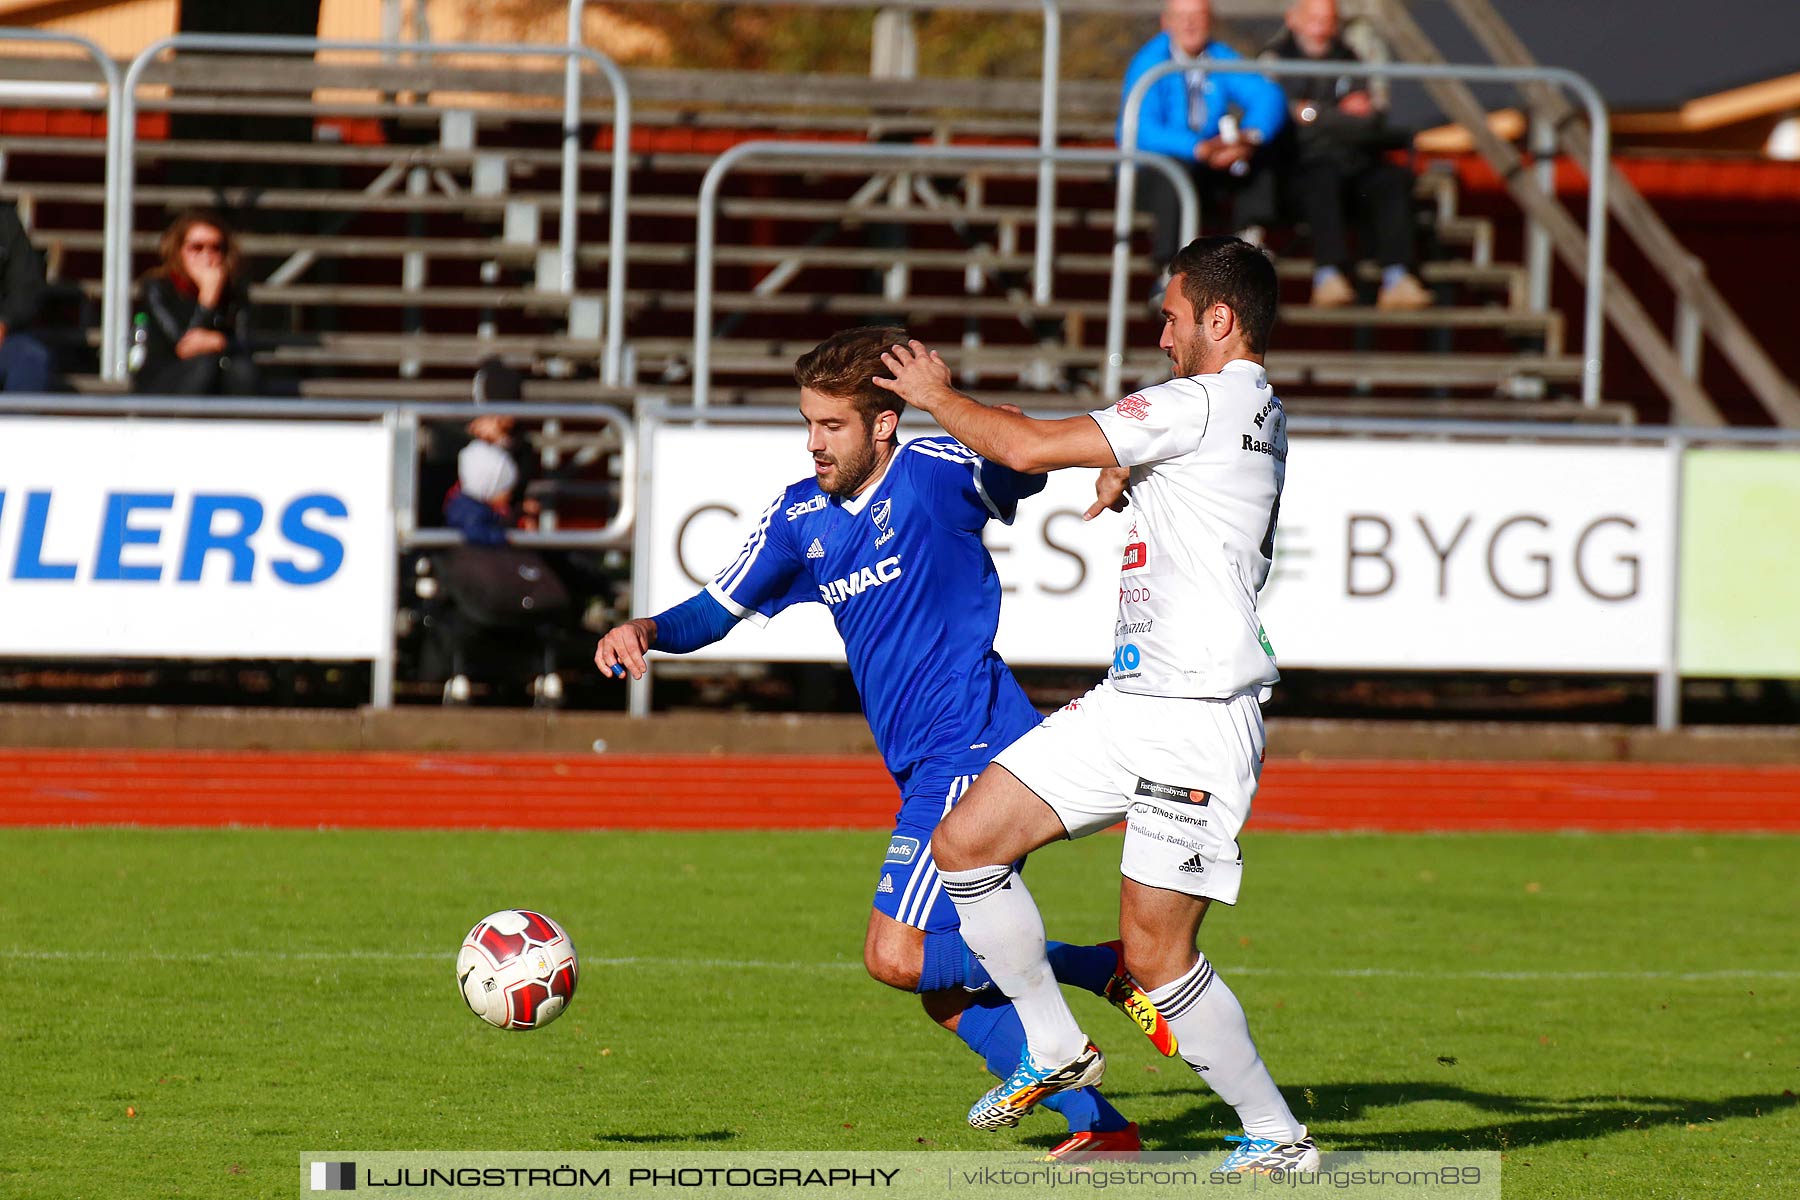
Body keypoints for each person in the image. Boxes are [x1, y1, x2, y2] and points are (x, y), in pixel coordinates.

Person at [594, 326, 1174, 1160]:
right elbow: (718, 610)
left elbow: (1023, 442)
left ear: (883, 424)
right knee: (946, 992)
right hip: (922, 763)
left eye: (831, 426)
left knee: (897, 954)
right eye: (808, 423)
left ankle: (1089, 971)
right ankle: (1105, 1130)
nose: (814, 443)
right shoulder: (802, 516)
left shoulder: (937, 475)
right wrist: (646, 628)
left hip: (972, 742)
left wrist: (1115, 462)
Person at [874, 239, 1320, 1175]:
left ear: (1220, 320)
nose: (1161, 335)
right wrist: (1133, 471)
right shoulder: (1248, 410)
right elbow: (1183, 467)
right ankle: (1052, 1044)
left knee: (1159, 961)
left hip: (1199, 719)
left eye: (1171, 315)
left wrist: (937, 399)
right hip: (1132, 702)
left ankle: (1277, 1135)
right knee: (966, 845)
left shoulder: (1203, 402)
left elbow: (1030, 445)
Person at [1262, 0, 1430, 310]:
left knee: (1392, 179)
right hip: (1299, 167)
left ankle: (1398, 276)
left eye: (1328, 20)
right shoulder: (1274, 61)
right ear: (1293, 19)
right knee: (1321, 179)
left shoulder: (1352, 58)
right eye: (1313, 19)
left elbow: (1370, 120)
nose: (1320, 28)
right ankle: (1330, 274)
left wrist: (1311, 113)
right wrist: (1338, 116)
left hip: (1353, 161)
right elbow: (1277, 119)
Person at [1121, 0, 1288, 265]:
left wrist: (1247, 138)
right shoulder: (1149, 64)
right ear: (1167, 22)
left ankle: (1250, 245)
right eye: (1182, 16)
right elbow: (1142, 131)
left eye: (1197, 16)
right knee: (1173, 172)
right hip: (1156, 169)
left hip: (1209, 162)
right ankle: (1168, 268)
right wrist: (1198, 148)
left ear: (1211, 21)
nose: (1190, 23)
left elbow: (1267, 95)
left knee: (1261, 152)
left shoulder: (1219, 57)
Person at [131, 209, 259, 396]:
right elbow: (184, 345)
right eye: (197, 248)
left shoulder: (234, 291)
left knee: (242, 371)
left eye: (216, 248)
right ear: (178, 251)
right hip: (165, 377)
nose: (207, 256)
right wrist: (208, 298)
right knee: (203, 365)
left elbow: (244, 341)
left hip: (218, 371)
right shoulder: (158, 287)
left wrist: (221, 342)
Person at [0, 199, 54, 393]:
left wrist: (5, 321)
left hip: (4, 338)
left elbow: (27, 284)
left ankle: (18, 423)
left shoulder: (6, 221)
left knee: (30, 358)